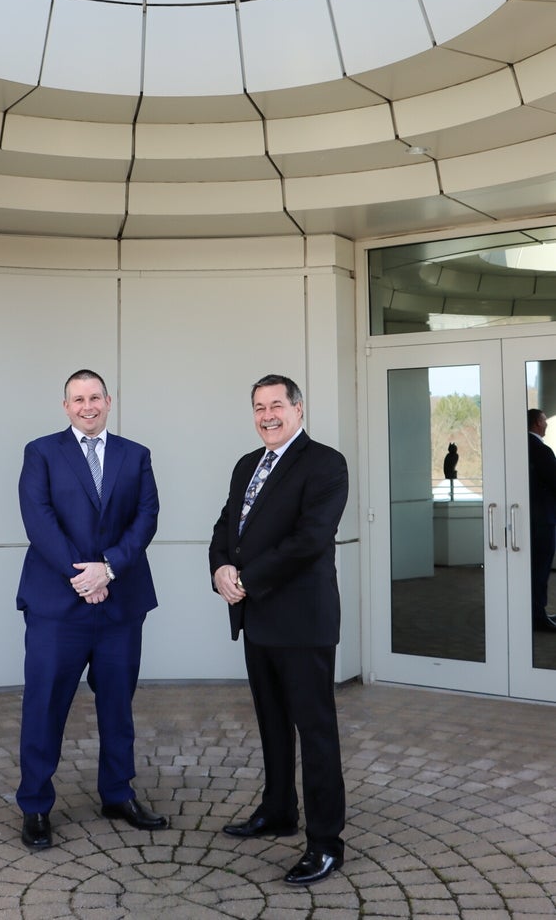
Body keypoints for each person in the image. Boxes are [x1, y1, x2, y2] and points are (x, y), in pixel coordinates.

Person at [15, 368, 168, 849]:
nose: (87, 406)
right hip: (58, 605)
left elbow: (147, 518)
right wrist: (83, 577)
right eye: (77, 399)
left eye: (95, 397)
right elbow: (38, 521)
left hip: (120, 604)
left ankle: (118, 794)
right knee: (44, 707)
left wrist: (110, 569)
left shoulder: (135, 455)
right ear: (65, 406)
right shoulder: (41, 453)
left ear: (109, 400)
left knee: (118, 706)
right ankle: (35, 806)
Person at [209, 373, 348, 887]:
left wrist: (246, 577)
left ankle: (326, 843)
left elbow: (309, 540)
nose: (267, 415)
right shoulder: (248, 464)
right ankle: (278, 810)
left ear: (298, 409)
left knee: (315, 732)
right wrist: (220, 568)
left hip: (302, 622)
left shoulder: (325, 464)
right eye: (258, 407)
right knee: (270, 723)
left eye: (276, 405)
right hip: (256, 617)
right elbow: (227, 526)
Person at [527, 408, 556, 632]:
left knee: (530, 570)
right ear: (537, 423)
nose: (546, 424)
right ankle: (538, 616)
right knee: (540, 570)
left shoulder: (519, 447)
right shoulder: (541, 450)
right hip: (542, 521)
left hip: (526, 520)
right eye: (544, 421)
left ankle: (531, 612)